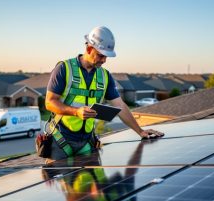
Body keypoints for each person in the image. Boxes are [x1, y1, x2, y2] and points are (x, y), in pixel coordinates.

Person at [45, 26, 164, 160]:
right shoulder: (64, 69)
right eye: (101, 55)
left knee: (93, 181)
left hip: (87, 142)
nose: (104, 60)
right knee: (59, 179)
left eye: (106, 57)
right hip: (60, 140)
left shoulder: (105, 76)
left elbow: (120, 106)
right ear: (89, 49)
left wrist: (140, 131)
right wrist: (76, 111)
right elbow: (49, 103)